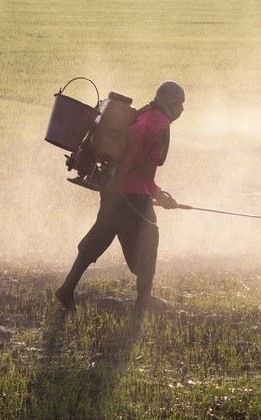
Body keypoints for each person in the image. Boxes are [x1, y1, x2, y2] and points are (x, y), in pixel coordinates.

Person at [55, 81, 185, 315]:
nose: (181, 110)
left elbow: (140, 162)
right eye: (178, 104)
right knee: (149, 240)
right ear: (168, 102)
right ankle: (142, 304)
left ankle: (66, 289)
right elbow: (138, 148)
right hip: (131, 195)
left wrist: (153, 191)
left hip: (117, 190)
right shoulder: (158, 120)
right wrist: (151, 191)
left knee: (99, 237)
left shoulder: (148, 113)